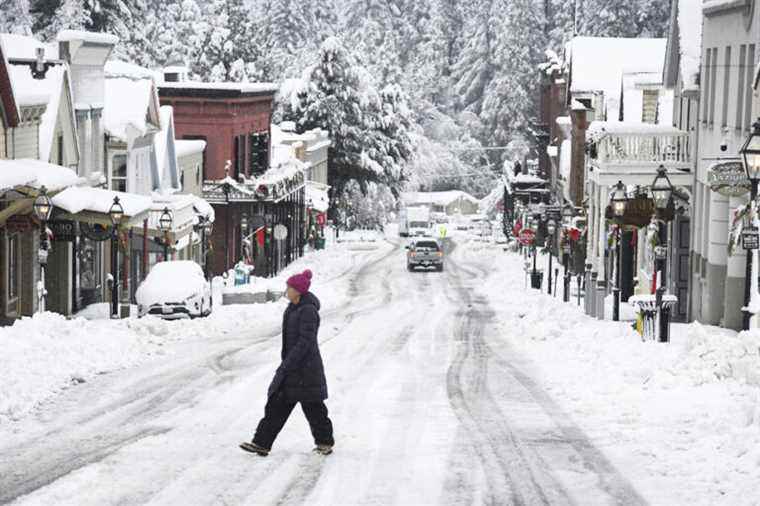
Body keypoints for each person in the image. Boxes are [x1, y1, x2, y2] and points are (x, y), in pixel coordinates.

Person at [240, 269, 334, 457]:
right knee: (277, 405)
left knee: (314, 408)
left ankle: (324, 442)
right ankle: (261, 443)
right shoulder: (294, 307)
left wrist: (288, 363)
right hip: (294, 368)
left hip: (306, 370)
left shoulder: (307, 311)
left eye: (289, 287)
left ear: (298, 290)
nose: (287, 290)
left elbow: (305, 342)